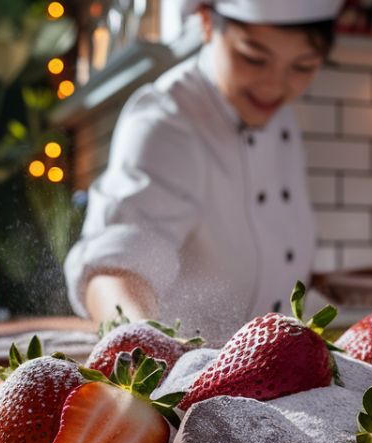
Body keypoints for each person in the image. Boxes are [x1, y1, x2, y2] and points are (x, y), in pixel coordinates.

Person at [64, 0, 341, 343]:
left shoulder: (281, 122)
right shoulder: (166, 120)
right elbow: (115, 269)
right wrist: (143, 349)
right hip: (181, 383)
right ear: (207, 22)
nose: (274, 86)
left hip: (270, 379)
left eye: (303, 67)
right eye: (253, 58)